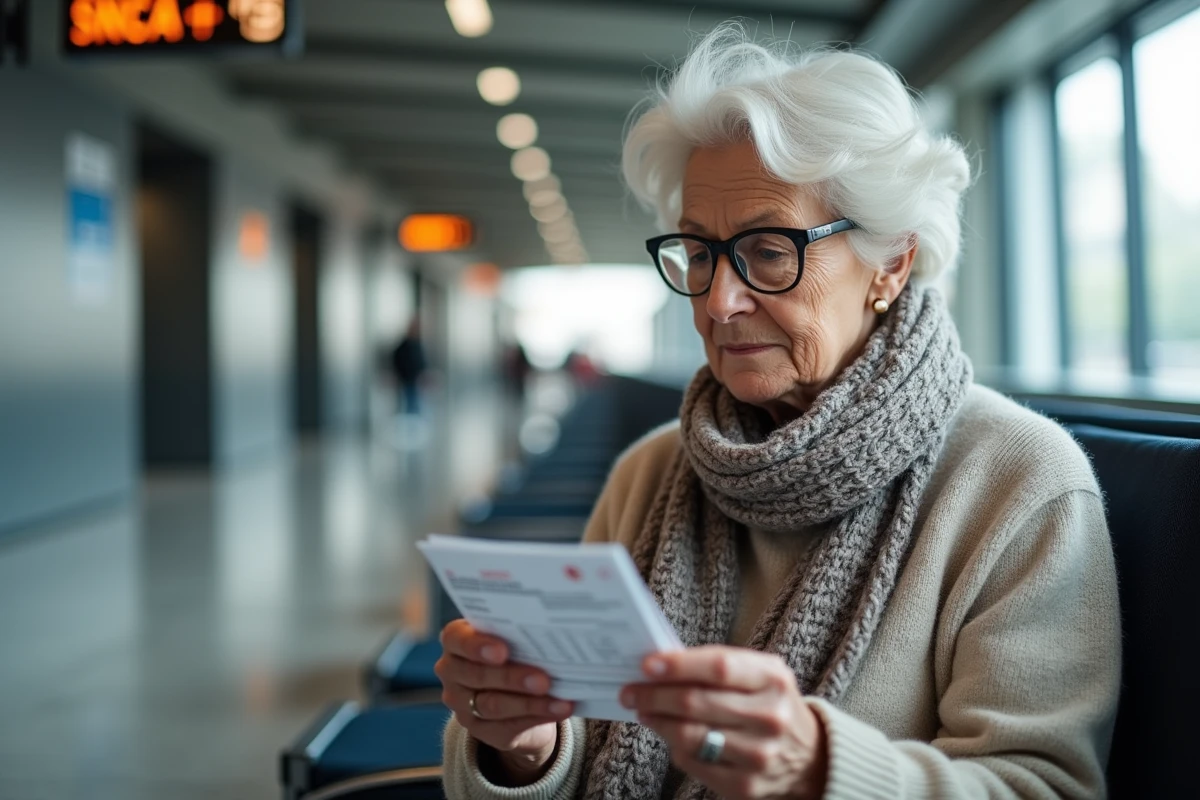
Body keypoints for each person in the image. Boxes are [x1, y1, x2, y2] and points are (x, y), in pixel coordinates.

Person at [437, 25, 1120, 800]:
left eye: (767, 252)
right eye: (699, 254)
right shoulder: (652, 471)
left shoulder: (1020, 484)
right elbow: (573, 745)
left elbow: (1046, 788)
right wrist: (525, 749)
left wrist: (822, 770)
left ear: (890, 261)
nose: (720, 302)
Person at [390, 317, 427, 416]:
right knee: (410, 405)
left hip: (416, 380)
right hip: (407, 380)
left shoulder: (417, 344)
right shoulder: (404, 346)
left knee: (416, 405)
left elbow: (421, 363)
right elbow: (399, 362)